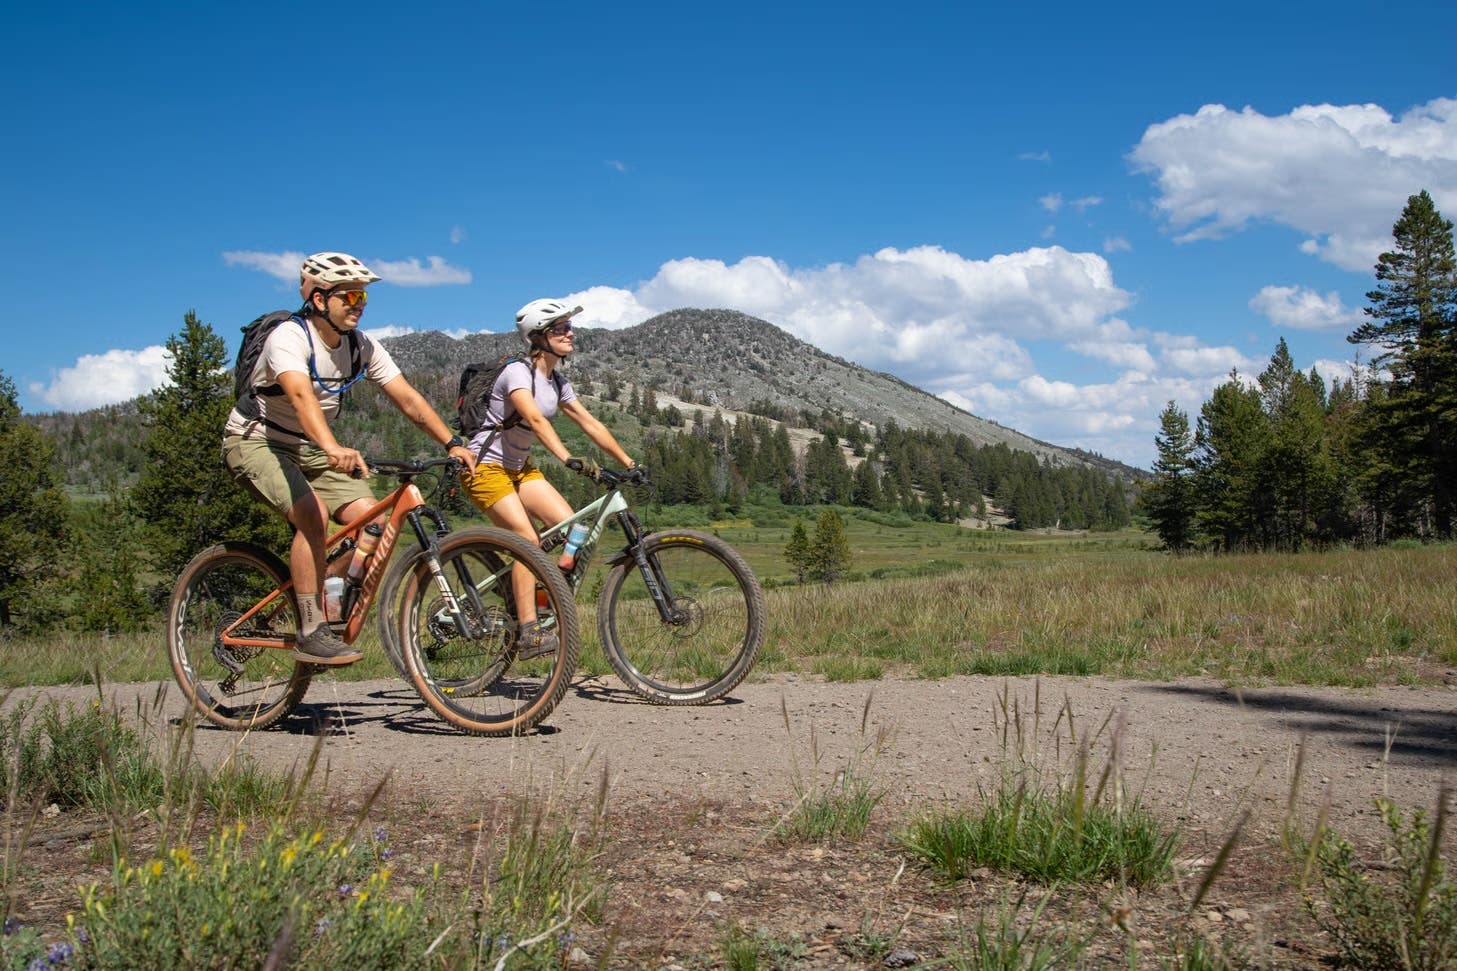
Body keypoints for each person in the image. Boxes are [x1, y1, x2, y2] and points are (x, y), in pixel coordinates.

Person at [223, 252, 478, 665]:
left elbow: (408, 399)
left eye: (363, 297)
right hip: (257, 440)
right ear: (320, 300)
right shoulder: (289, 338)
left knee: (372, 520)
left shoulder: (360, 346)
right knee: (313, 517)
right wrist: (332, 447)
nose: (359, 305)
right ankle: (310, 629)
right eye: (350, 296)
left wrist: (451, 442)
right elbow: (302, 397)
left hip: (310, 445)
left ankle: (326, 595)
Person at [461, 298, 637, 657]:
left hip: (520, 469)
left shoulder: (557, 381)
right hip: (485, 469)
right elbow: (536, 420)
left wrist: (629, 461)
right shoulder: (517, 373)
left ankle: (539, 593)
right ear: (538, 336)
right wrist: (567, 457)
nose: (570, 333)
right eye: (560, 328)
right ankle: (528, 632)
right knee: (528, 540)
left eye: (569, 327)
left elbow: (590, 422)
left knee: (573, 527)